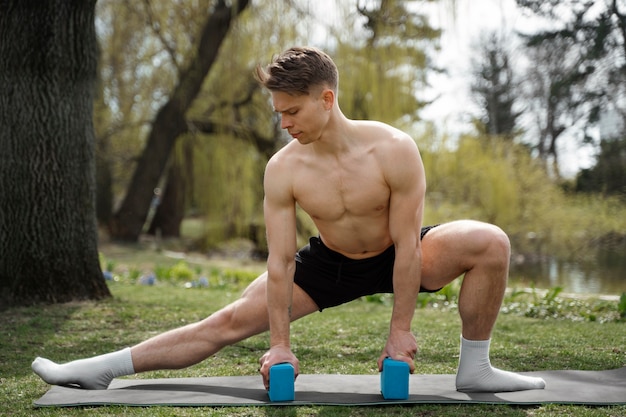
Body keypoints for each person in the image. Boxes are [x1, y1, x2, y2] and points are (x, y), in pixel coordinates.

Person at [32, 46, 546, 393]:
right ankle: (99, 370)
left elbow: (409, 248)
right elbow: (281, 262)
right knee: (229, 321)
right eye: (278, 113)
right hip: (329, 264)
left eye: (293, 111)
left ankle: (475, 368)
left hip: (398, 251)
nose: (284, 124)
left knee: (490, 241)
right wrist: (280, 344)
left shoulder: (394, 149)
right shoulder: (284, 168)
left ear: (327, 99)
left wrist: (400, 332)